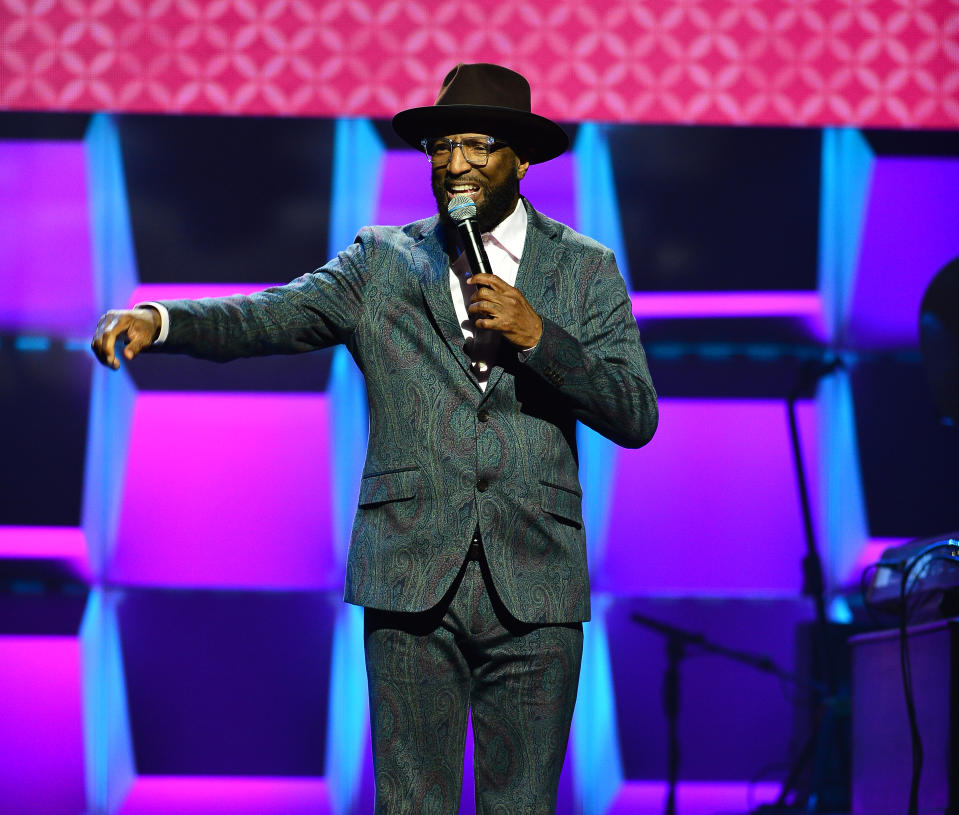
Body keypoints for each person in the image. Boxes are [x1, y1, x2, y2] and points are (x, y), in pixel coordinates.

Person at [91, 62, 658, 815]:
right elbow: (270, 314)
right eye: (440, 146)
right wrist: (163, 321)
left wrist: (538, 336)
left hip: (536, 583)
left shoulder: (585, 269)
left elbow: (634, 413)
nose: (453, 163)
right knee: (410, 805)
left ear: (521, 158)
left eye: (477, 145)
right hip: (411, 573)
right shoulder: (382, 260)